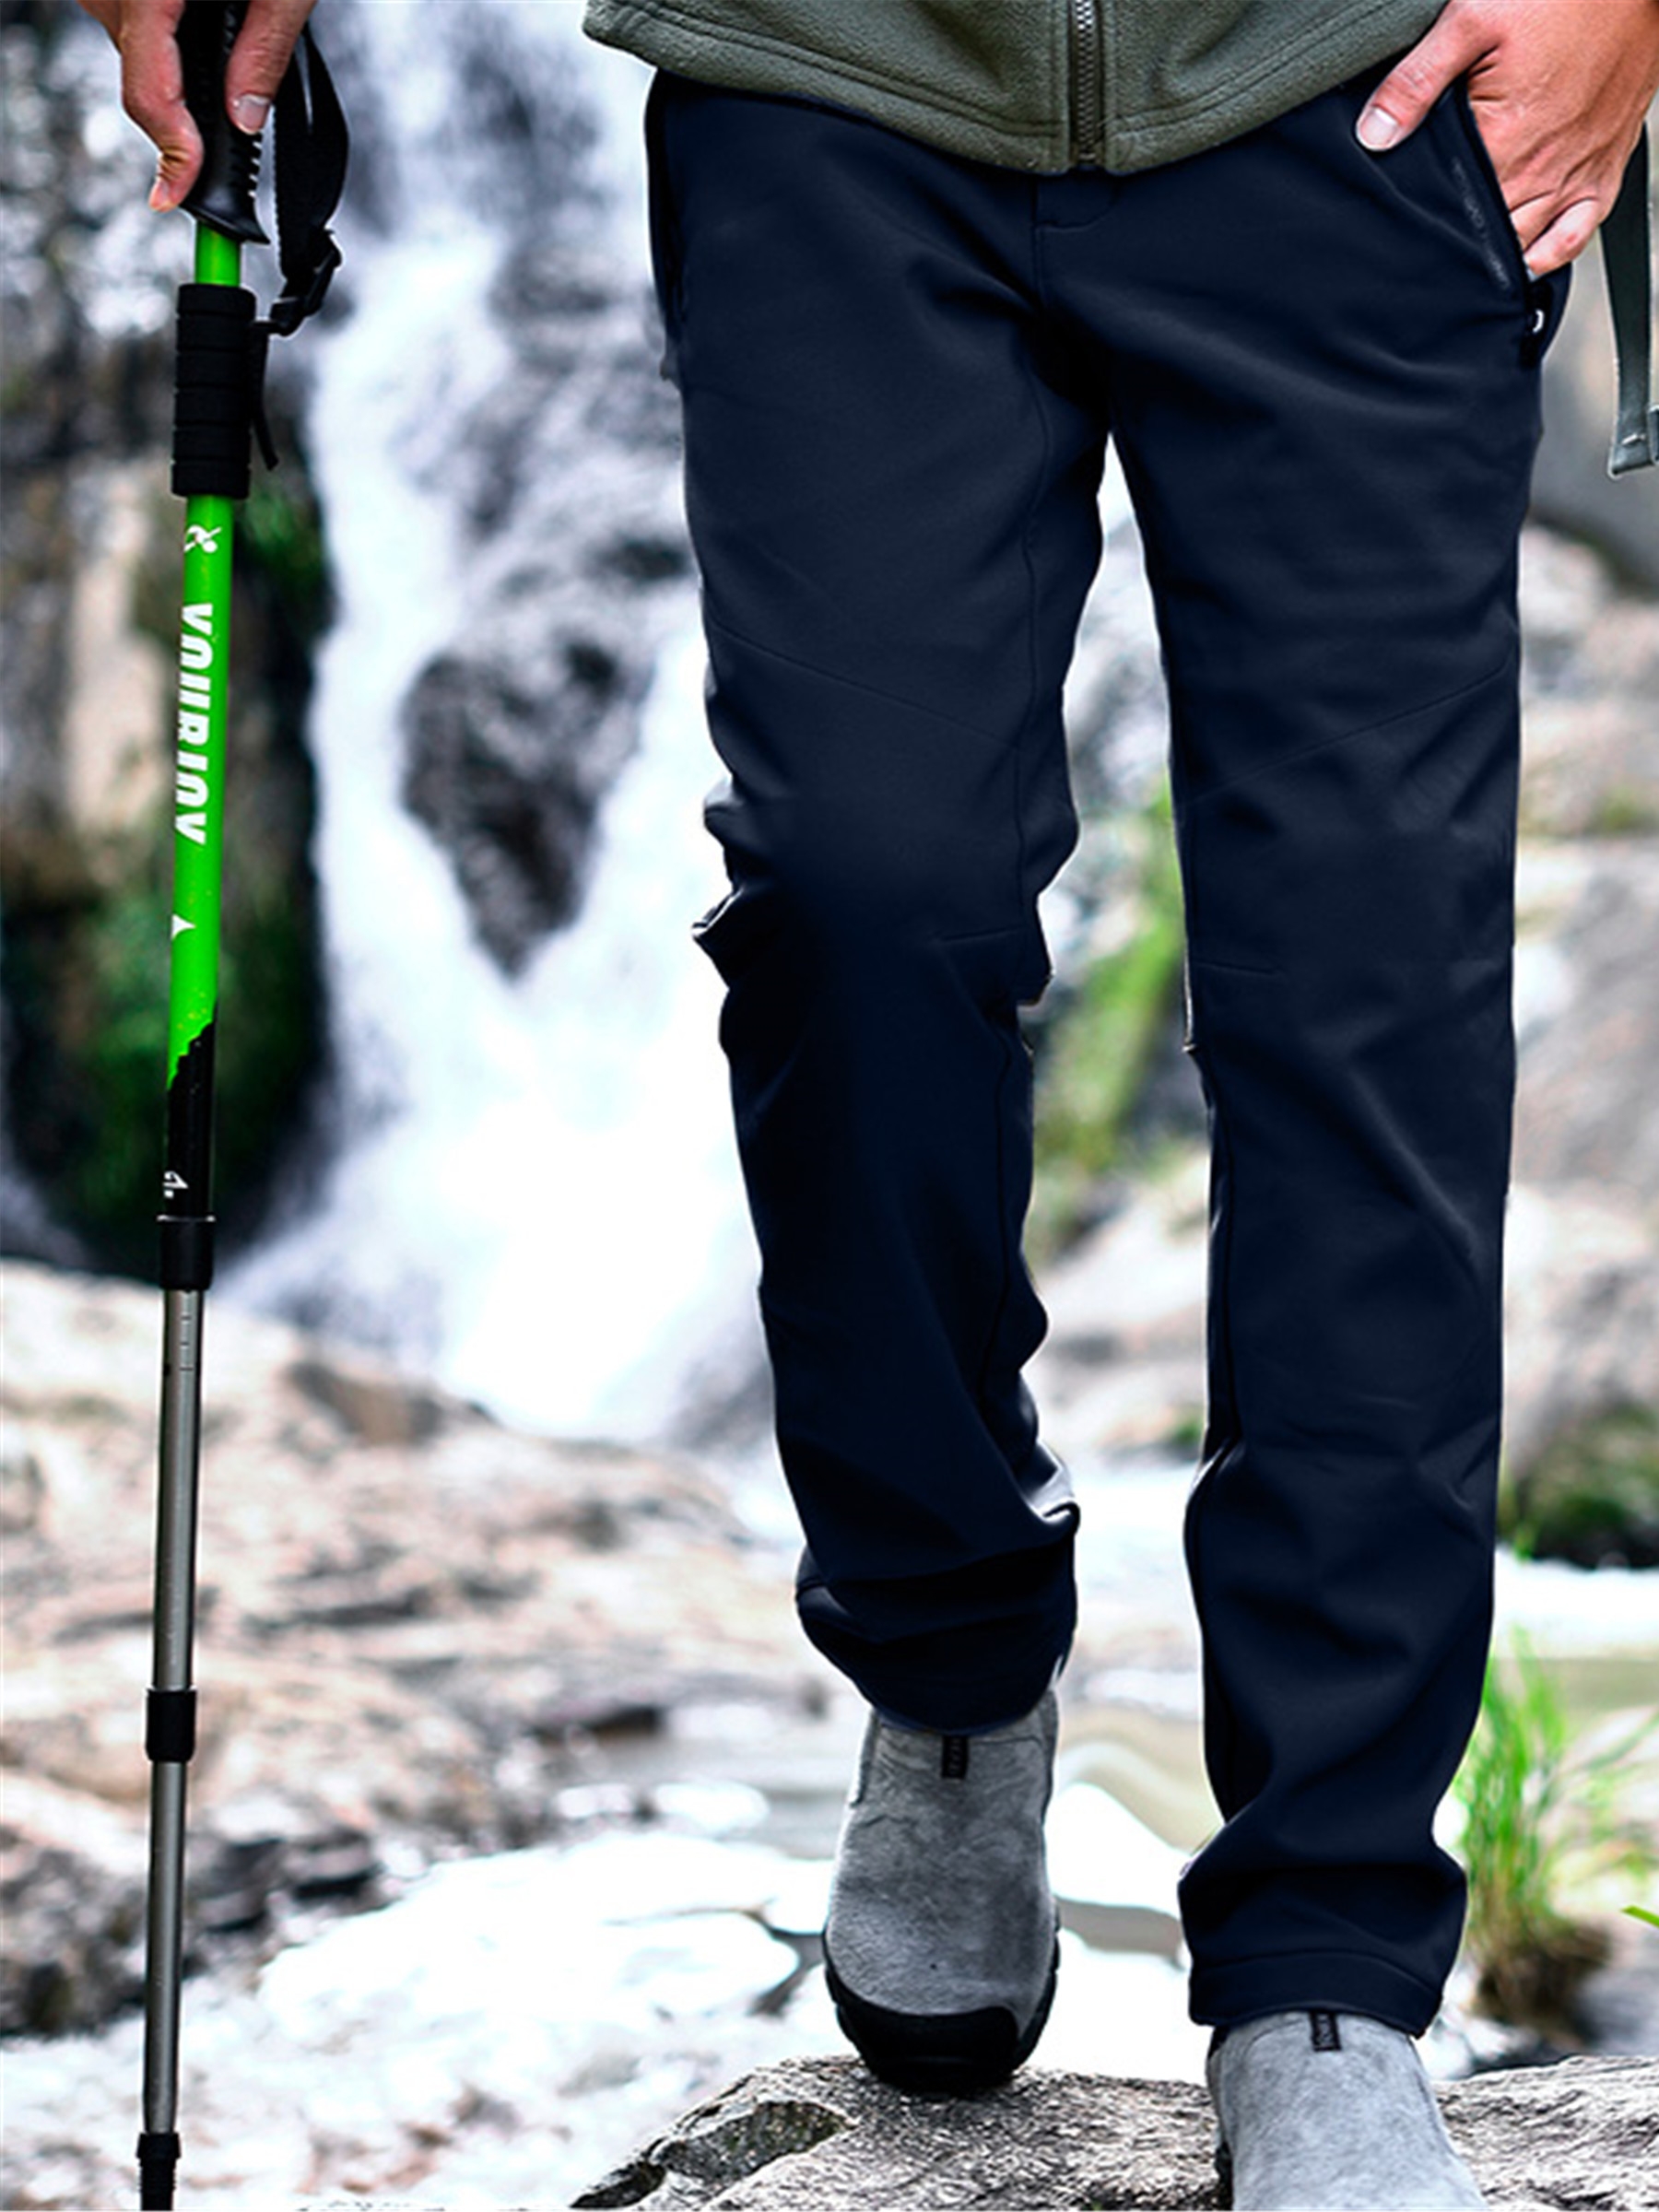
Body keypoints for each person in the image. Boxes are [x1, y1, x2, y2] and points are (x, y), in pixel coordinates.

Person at [86, 4, 1658, 2207]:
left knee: (1365, 987)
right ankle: (947, 1660)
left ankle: (1327, 1956)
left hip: (1352, 81)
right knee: (858, 896)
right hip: (836, 67)